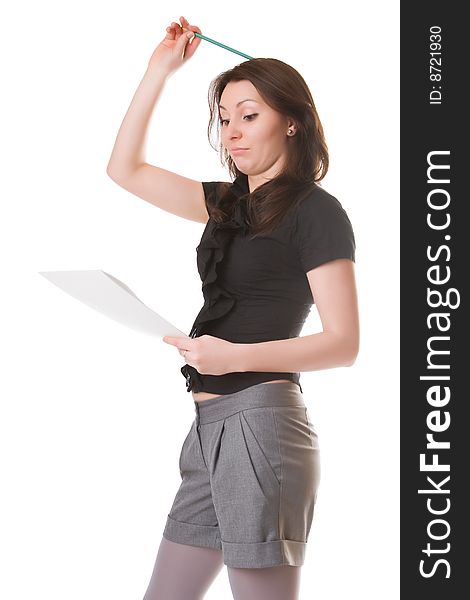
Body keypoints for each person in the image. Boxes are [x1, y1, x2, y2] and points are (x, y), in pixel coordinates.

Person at [107, 15, 359, 600]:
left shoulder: (316, 213)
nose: (232, 133)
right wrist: (159, 70)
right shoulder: (229, 205)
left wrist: (232, 356)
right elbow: (125, 170)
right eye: (224, 119)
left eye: (250, 116)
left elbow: (344, 343)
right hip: (210, 429)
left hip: (261, 424)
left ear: (292, 123)